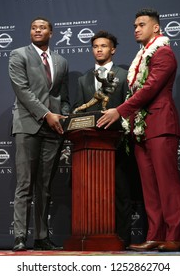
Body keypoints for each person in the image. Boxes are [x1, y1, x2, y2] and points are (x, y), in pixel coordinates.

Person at [97, 8, 180, 252]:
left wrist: (120, 110)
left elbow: (149, 89)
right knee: (149, 187)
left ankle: (175, 236)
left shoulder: (164, 53)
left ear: (156, 28)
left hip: (161, 125)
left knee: (167, 184)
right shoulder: (141, 56)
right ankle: (155, 235)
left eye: (141, 24)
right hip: (140, 128)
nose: (136, 28)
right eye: (134, 25)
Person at [8, 16, 70, 251]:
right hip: (28, 125)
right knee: (25, 184)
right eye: (33, 27)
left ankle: (42, 236)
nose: (37, 30)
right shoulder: (18, 54)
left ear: (51, 32)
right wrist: (46, 114)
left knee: (44, 186)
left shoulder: (61, 61)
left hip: (54, 129)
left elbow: (64, 96)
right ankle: (20, 237)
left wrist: (62, 116)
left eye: (42, 27)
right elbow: (22, 90)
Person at [73, 30, 132, 247]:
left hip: (117, 144)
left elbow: (130, 107)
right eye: (95, 46)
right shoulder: (83, 79)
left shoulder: (124, 75)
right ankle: (91, 238)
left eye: (104, 46)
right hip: (89, 148)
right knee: (90, 194)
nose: (99, 49)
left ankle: (123, 239)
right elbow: (78, 110)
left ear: (113, 50)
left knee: (121, 192)